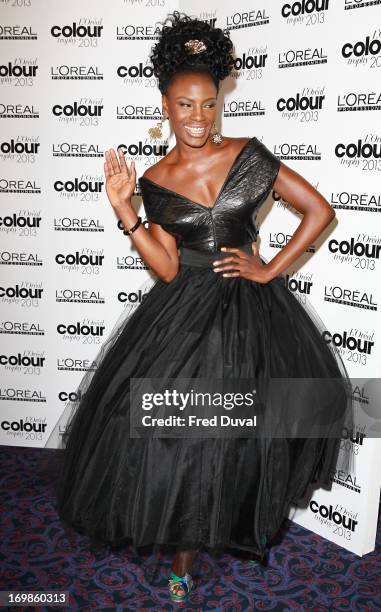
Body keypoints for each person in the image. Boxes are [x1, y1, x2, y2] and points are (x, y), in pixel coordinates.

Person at [50, 11, 352, 604]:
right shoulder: (157, 179)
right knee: (186, 436)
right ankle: (184, 555)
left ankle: (229, 524)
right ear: (165, 104)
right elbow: (164, 266)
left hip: (252, 313)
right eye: (185, 105)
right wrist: (126, 209)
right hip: (183, 316)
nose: (198, 117)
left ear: (220, 102)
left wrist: (267, 268)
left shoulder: (249, 154)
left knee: (243, 435)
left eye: (209, 104)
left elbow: (319, 212)